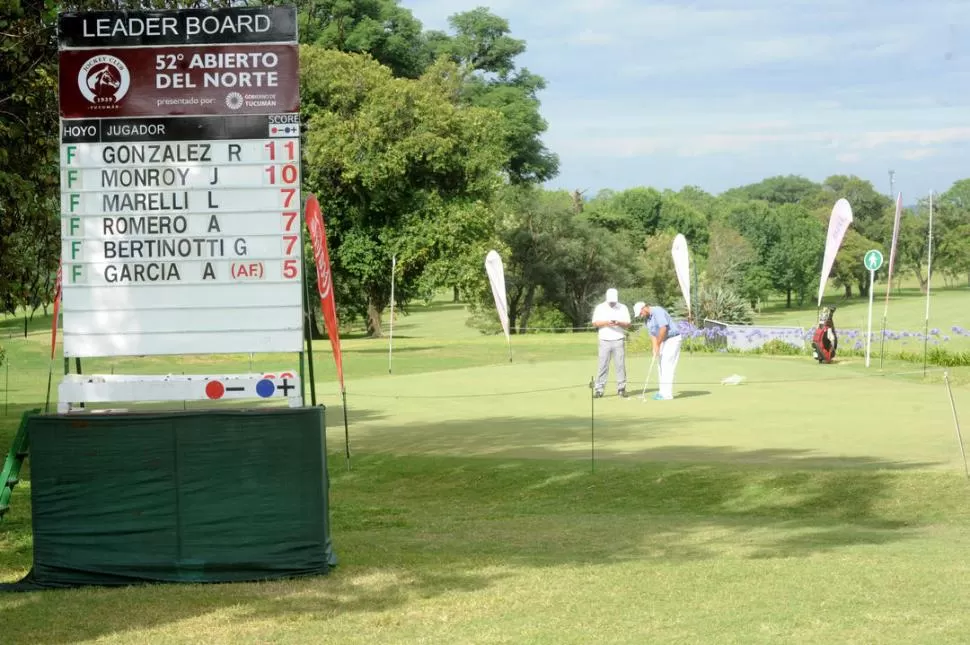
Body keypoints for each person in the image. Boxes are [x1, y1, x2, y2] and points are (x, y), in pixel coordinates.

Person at [632, 301, 682, 400]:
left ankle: (667, 394)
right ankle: (662, 392)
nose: (641, 316)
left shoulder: (657, 311)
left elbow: (664, 328)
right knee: (660, 365)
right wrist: (655, 348)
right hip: (663, 340)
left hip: (673, 338)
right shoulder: (647, 319)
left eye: (641, 313)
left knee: (667, 364)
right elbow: (653, 334)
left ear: (644, 308)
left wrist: (658, 344)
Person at [591, 288, 631, 398]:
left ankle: (621, 388)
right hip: (604, 340)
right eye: (610, 301)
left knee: (620, 365)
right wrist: (607, 322)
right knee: (603, 365)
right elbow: (595, 323)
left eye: (614, 301)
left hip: (618, 339)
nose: (612, 303)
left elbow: (628, 324)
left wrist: (618, 323)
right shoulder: (600, 307)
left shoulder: (623, 307)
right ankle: (599, 389)